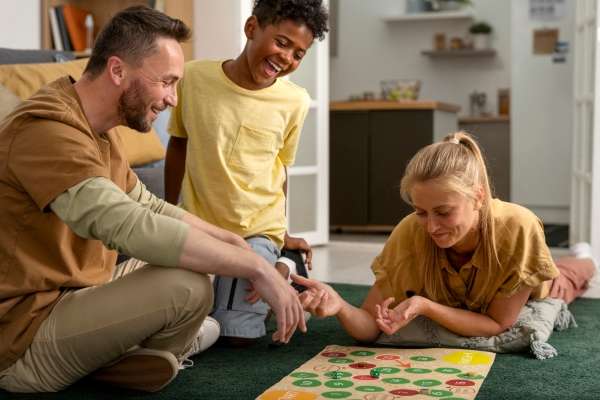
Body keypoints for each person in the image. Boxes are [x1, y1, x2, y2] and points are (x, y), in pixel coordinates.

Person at [0, 6, 305, 394]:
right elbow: (123, 223)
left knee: (205, 256)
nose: (173, 100)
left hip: (78, 292)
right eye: (166, 82)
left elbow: (149, 205)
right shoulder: (47, 130)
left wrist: (233, 243)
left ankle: (121, 352)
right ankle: (125, 354)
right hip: (24, 335)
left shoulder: (96, 125)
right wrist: (256, 268)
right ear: (117, 70)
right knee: (189, 286)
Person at [294, 131, 597, 343]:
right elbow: (371, 326)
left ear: (478, 197)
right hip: (465, 297)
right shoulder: (409, 232)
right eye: (421, 212)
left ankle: (585, 257)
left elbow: (497, 323)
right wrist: (341, 307)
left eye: (443, 212)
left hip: (530, 289)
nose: (431, 227)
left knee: (565, 283)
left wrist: (426, 306)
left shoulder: (519, 228)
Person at [165, 0, 328, 345]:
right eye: (282, 43)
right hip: (202, 226)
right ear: (252, 28)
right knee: (180, 308)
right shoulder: (193, 78)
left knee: (235, 335)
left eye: (299, 54)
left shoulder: (295, 102)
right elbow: (178, 144)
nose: (287, 58)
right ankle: (276, 273)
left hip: (257, 230)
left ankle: (286, 261)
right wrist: (166, 211)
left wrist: (282, 234)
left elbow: (280, 171)